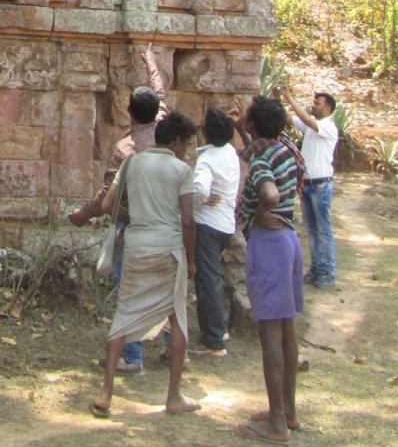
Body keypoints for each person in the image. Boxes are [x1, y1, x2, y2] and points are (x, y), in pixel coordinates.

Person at [90, 112, 200, 419]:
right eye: (187, 144)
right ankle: (174, 396)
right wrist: (191, 260)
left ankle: (106, 392)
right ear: (176, 141)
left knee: (123, 315)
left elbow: (108, 205)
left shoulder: (132, 162)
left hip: (137, 246)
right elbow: (188, 220)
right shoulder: (181, 170)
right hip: (169, 249)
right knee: (177, 318)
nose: (187, 150)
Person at [69, 46, 168, 372]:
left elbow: (105, 198)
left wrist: (81, 216)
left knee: (132, 291)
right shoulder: (164, 130)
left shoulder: (126, 151)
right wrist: (150, 61)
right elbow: (160, 90)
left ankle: (132, 357)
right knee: (164, 286)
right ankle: (172, 346)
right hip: (168, 229)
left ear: (128, 111)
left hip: (137, 230)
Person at [232, 95, 306, 444]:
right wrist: (242, 131)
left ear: (254, 125)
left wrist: (265, 208)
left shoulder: (262, 160)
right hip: (289, 241)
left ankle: (276, 423)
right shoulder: (286, 147)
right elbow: (260, 155)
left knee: (270, 336)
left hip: (269, 242)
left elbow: (269, 190)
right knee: (287, 329)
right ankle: (288, 411)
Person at [191, 107, 240, 356]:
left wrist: (197, 199)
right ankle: (219, 328)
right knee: (212, 276)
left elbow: (199, 189)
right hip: (226, 225)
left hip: (207, 225)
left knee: (206, 279)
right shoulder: (230, 153)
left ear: (206, 132)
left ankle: (213, 340)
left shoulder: (207, 159)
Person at [280, 85, 338, 288]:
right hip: (308, 184)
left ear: (328, 109)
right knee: (312, 231)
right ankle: (317, 268)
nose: (313, 105)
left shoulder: (327, 127)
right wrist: (278, 99)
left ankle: (328, 272)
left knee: (323, 230)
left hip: (321, 185)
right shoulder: (312, 127)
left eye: (317, 103)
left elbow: (306, 120)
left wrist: (289, 97)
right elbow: (289, 120)